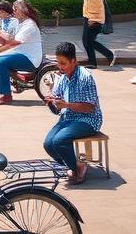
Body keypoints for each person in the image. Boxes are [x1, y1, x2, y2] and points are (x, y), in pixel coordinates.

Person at [43, 40, 103, 185]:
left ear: (74, 61)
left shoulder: (85, 77)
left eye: (63, 63)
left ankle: (76, 167)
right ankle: (76, 165)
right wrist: (51, 102)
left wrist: (67, 105)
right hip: (68, 118)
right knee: (48, 144)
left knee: (59, 140)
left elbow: (90, 108)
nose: (60, 67)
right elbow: (58, 108)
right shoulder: (63, 78)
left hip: (88, 120)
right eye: (58, 62)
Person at [0, 0, 44, 104]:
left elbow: (14, 42)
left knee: (2, 61)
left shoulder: (29, 24)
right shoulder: (20, 22)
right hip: (20, 53)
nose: (13, 11)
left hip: (30, 58)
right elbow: (10, 38)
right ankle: (1, 92)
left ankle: (6, 95)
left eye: (15, 9)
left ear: (23, 11)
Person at [79, 0, 115, 69]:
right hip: (89, 19)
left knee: (87, 41)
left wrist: (93, 20)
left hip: (92, 20)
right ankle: (98, 60)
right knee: (88, 41)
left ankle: (103, 57)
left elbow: (98, 7)